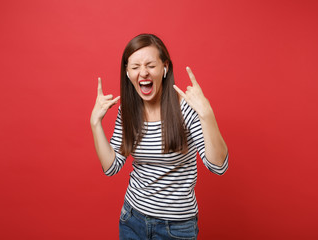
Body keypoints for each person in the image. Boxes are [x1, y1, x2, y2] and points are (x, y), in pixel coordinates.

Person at [90, 33, 228, 240]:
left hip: (177, 227)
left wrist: (206, 114)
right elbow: (112, 167)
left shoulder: (186, 109)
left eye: (150, 65)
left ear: (164, 68)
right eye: (135, 67)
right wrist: (95, 124)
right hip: (132, 218)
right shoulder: (127, 110)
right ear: (127, 72)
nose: (143, 72)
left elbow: (218, 166)